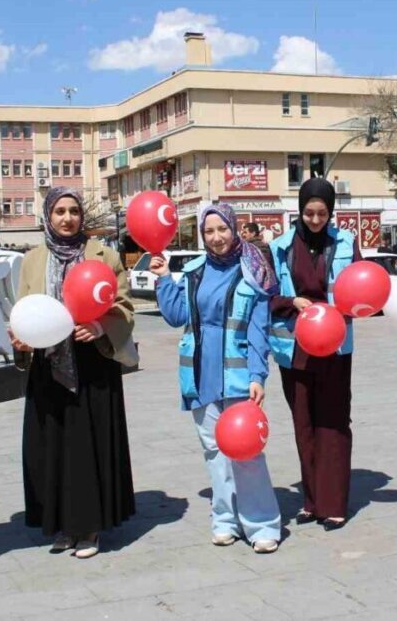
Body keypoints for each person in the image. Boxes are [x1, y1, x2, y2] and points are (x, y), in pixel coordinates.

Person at [13, 188, 136, 559]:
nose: (67, 218)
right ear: (48, 217)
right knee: (53, 447)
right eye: (59, 211)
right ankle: (63, 525)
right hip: (48, 365)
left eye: (74, 211)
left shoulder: (104, 255)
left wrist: (100, 326)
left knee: (87, 447)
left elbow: (124, 306)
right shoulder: (33, 259)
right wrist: (21, 338)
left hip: (93, 365)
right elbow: (25, 308)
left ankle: (90, 527)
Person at [155, 204, 282, 553]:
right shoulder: (194, 271)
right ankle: (225, 519)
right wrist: (164, 278)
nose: (216, 237)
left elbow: (259, 329)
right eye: (209, 231)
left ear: (234, 228)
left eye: (222, 229)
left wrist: (258, 375)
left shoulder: (253, 270)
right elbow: (177, 315)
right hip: (200, 373)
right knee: (214, 451)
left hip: (238, 374)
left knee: (246, 451)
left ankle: (262, 524)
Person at [269, 178, 361, 530]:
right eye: (309, 213)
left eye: (323, 213)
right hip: (295, 348)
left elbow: (360, 290)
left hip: (335, 346)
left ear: (331, 211)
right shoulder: (280, 247)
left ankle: (333, 503)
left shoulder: (346, 243)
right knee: (303, 424)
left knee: (333, 421)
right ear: (299, 210)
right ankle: (311, 502)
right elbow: (267, 296)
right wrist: (291, 301)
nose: (316, 220)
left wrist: (342, 309)